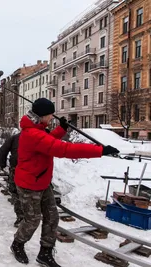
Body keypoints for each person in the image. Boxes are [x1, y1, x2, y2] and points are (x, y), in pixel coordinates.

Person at [10, 98, 119, 267]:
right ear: (43, 115)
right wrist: (100, 150)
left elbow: (47, 140)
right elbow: (62, 149)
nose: (52, 118)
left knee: (52, 218)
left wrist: (61, 129)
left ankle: (45, 253)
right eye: (50, 115)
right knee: (33, 220)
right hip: (29, 184)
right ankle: (17, 244)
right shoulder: (32, 133)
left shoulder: (36, 129)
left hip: (41, 181)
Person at [0, 128, 23, 227]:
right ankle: (29, 217)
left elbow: (2, 151)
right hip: (30, 171)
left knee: (16, 194)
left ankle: (21, 217)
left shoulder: (14, 138)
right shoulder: (37, 136)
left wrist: (3, 164)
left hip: (16, 169)